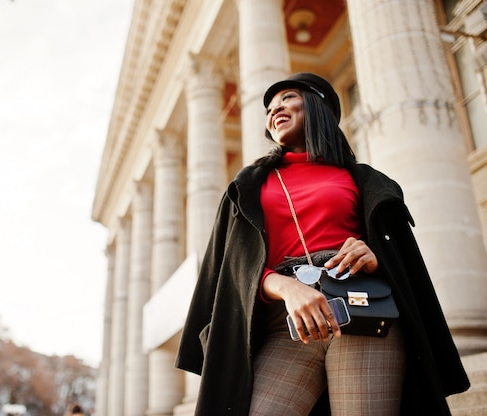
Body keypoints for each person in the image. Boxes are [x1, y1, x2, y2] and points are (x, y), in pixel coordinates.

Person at [175, 72, 470, 415]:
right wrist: (284, 287)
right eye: (270, 108)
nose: (275, 110)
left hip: (363, 309)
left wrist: (375, 254)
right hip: (285, 323)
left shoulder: (364, 179)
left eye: (287, 98)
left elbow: (400, 259)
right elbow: (232, 267)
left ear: (318, 105)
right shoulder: (249, 185)